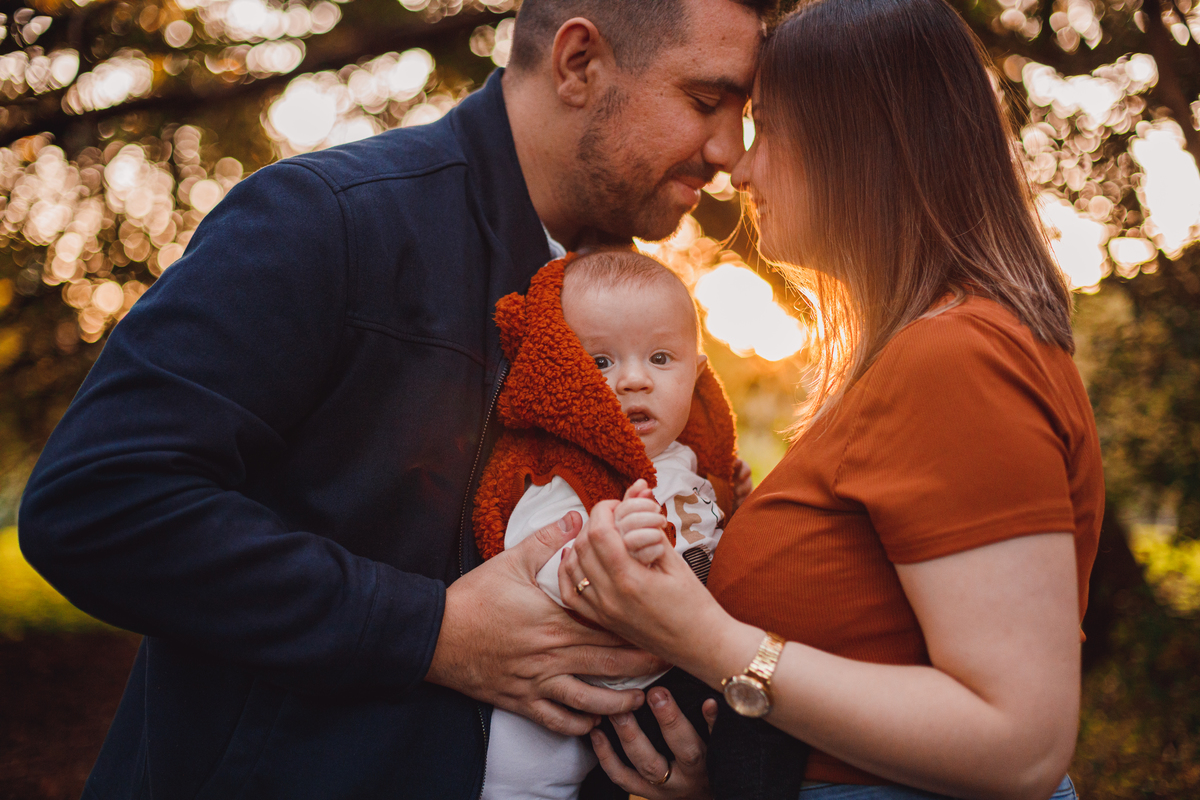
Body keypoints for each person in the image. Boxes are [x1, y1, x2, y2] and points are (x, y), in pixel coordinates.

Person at [16, 1, 767, 797]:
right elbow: (97, 502)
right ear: (579, 63)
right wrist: (431, 632)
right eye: (705, 101)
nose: (728, 150)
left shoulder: (643, 312)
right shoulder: (330, 218)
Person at [557, 0, 1104, 798]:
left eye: (768, 127)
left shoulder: (958, 356)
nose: (740, 169)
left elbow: (1019, 742)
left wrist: (704, 637)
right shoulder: (915, 358)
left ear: (863, 140)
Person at [473, 251, 738, 799]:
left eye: (661, 357)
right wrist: (614, 541)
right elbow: (527, 565)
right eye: (601, 364)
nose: (634, 380)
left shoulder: (687, 464)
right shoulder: (569, 474)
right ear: (563, 375)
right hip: (547, 713)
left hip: (637, 707)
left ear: (698, 371)